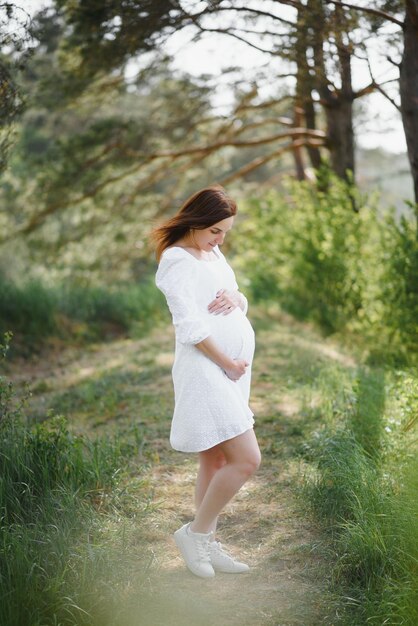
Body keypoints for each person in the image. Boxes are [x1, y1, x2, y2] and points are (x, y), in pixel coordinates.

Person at [152, 184, 261, 579]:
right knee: (247, 459)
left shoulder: (211, 251)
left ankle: (208, 544)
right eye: (215, 230)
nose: (220, 239)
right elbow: (190, 325)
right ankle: (194, 534)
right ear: (196, 222)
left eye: (225, 232)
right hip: (206, 369)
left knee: (214, 460)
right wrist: (228, 362)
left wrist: (237, 296)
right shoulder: (176, 260)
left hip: (229, 372)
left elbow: (232, 297)